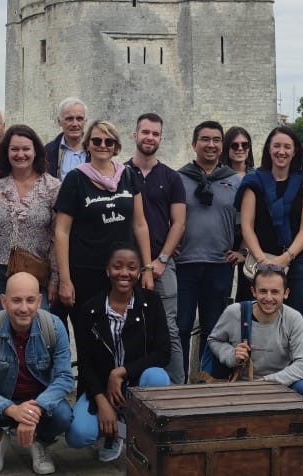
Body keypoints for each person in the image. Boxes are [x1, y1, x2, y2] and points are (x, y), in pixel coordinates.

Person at [0, 272, 75, 476]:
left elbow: (64, 378)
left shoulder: (54, 327)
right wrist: (11, 409)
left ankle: (38, 441)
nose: (24, 308)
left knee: (63, 415)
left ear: (39, 301)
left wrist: (32, 411)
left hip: (38, 403)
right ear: (4, 301)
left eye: (30, 300)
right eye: (16, 300)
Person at [66, 243, 173, 461]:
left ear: (139, 271)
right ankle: (114, 431)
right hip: (101, 387)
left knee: (158, 377)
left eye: (131, 267)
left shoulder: (151, 303)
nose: (124, 273)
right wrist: (102, 401)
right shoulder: (91, 309)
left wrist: (121, 372)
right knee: (77, 434)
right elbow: (85, 362)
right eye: (117, 266)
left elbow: (163, 353)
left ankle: (140, 435)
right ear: (108, 270)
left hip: (136, 382)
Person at [53, 120, 151, 318]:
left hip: (123, 272)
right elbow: (61, 231)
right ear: (88, 145)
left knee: (124, 328)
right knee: (88, 330)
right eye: (97, 141)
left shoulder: (128, 176)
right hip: (86, 271)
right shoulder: (75, 179)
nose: (103, 146)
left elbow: (140, 225)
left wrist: (147, 269)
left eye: (109, 141)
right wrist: (65, 279)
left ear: (116, 146)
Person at [174, 121, 243, 385]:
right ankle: (179, 381)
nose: (210, 144)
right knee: (180, 326)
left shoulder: (235, 181)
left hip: (219, 264)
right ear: (194, 144)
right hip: (184, 264)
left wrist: (242, 251)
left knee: (213, 329)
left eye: (216, 140)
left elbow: (246, 222)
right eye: (205, 139)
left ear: (222, 146)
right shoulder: (178, 179)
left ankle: (206, 383)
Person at [124, 113, 186, 385]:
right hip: (126, 265)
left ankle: (177, 387)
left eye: (155, 133)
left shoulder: (171, 178)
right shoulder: (120, 173)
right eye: (145, 132)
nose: (150, 137)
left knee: (169, 327)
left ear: (161, 138)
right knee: (126, 325)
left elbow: (179, 223)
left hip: (162, 263)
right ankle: (129, 386)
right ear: (135, 135)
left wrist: (161, 259)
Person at [0, 124, 63, 316]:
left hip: (36, 275)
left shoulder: (53, 187)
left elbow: (57, 236)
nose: (20, 154)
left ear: (36, 151)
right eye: (14, 149)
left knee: (35, 328)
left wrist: (55, 279)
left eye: (26, 149)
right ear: (6, 152)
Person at [237, 126, 303, 315]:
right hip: (260, 259)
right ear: (268, 148)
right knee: (257, 318)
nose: (282, 151)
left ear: (294, 151)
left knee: (292, 318)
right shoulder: (253, 182)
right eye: (277, 146)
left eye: (287, 147)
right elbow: (247, 226)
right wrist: (262, 260)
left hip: (297, 262)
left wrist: (285, 258)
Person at [206, 265, 303, 399]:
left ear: (286, 293)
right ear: (253, 291)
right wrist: (231, 355)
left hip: (281, 383)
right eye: (263, 291)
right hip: (239, 383)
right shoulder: (234, 312)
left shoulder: (293, 318)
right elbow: (214, 340)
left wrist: (266, 382)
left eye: (275, 292)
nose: (268, 298)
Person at [223, 125, 255, 302]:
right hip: (225, 235)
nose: (240, 149)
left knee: (247, 293)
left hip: (251, 237)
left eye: (245, 144)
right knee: (222, 294)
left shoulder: (257, 176)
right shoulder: (218, 176)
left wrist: (245, 249)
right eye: (234, 145)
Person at [45, 98, 88, 177]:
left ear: (85, 121)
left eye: (79, 119)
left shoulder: (96, 149)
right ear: (59, 122)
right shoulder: (48, 151)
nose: (75, 124)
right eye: (69, 119)